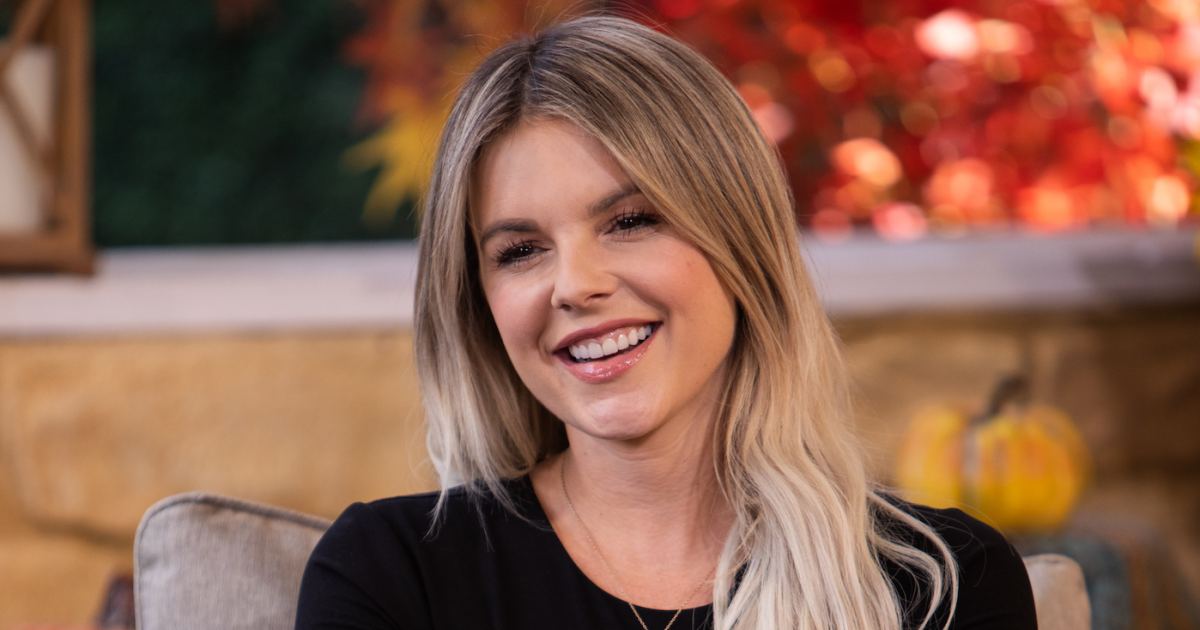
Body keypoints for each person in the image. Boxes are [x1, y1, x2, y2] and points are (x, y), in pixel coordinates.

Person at [295, 14, 1038, 630]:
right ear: (478, 306)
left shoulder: (942, 585)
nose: (575, 286)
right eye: (520, 251)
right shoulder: (390, 574)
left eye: (631, 221)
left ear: (739, 241)